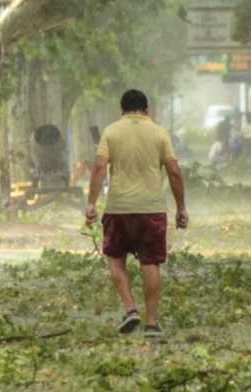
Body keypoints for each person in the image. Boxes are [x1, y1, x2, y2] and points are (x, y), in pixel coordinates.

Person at [85, 89, 188, 338]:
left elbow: (99, 167)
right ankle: (151, 324)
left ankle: (130, 308)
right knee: (150, 263)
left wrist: (91, 203)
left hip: (118, 208)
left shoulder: (111, 131)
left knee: (115, 260)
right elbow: (174, 172)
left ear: (121, 109)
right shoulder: (159, 132)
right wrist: (181, 207)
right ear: (147, 109)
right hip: (151, 209)